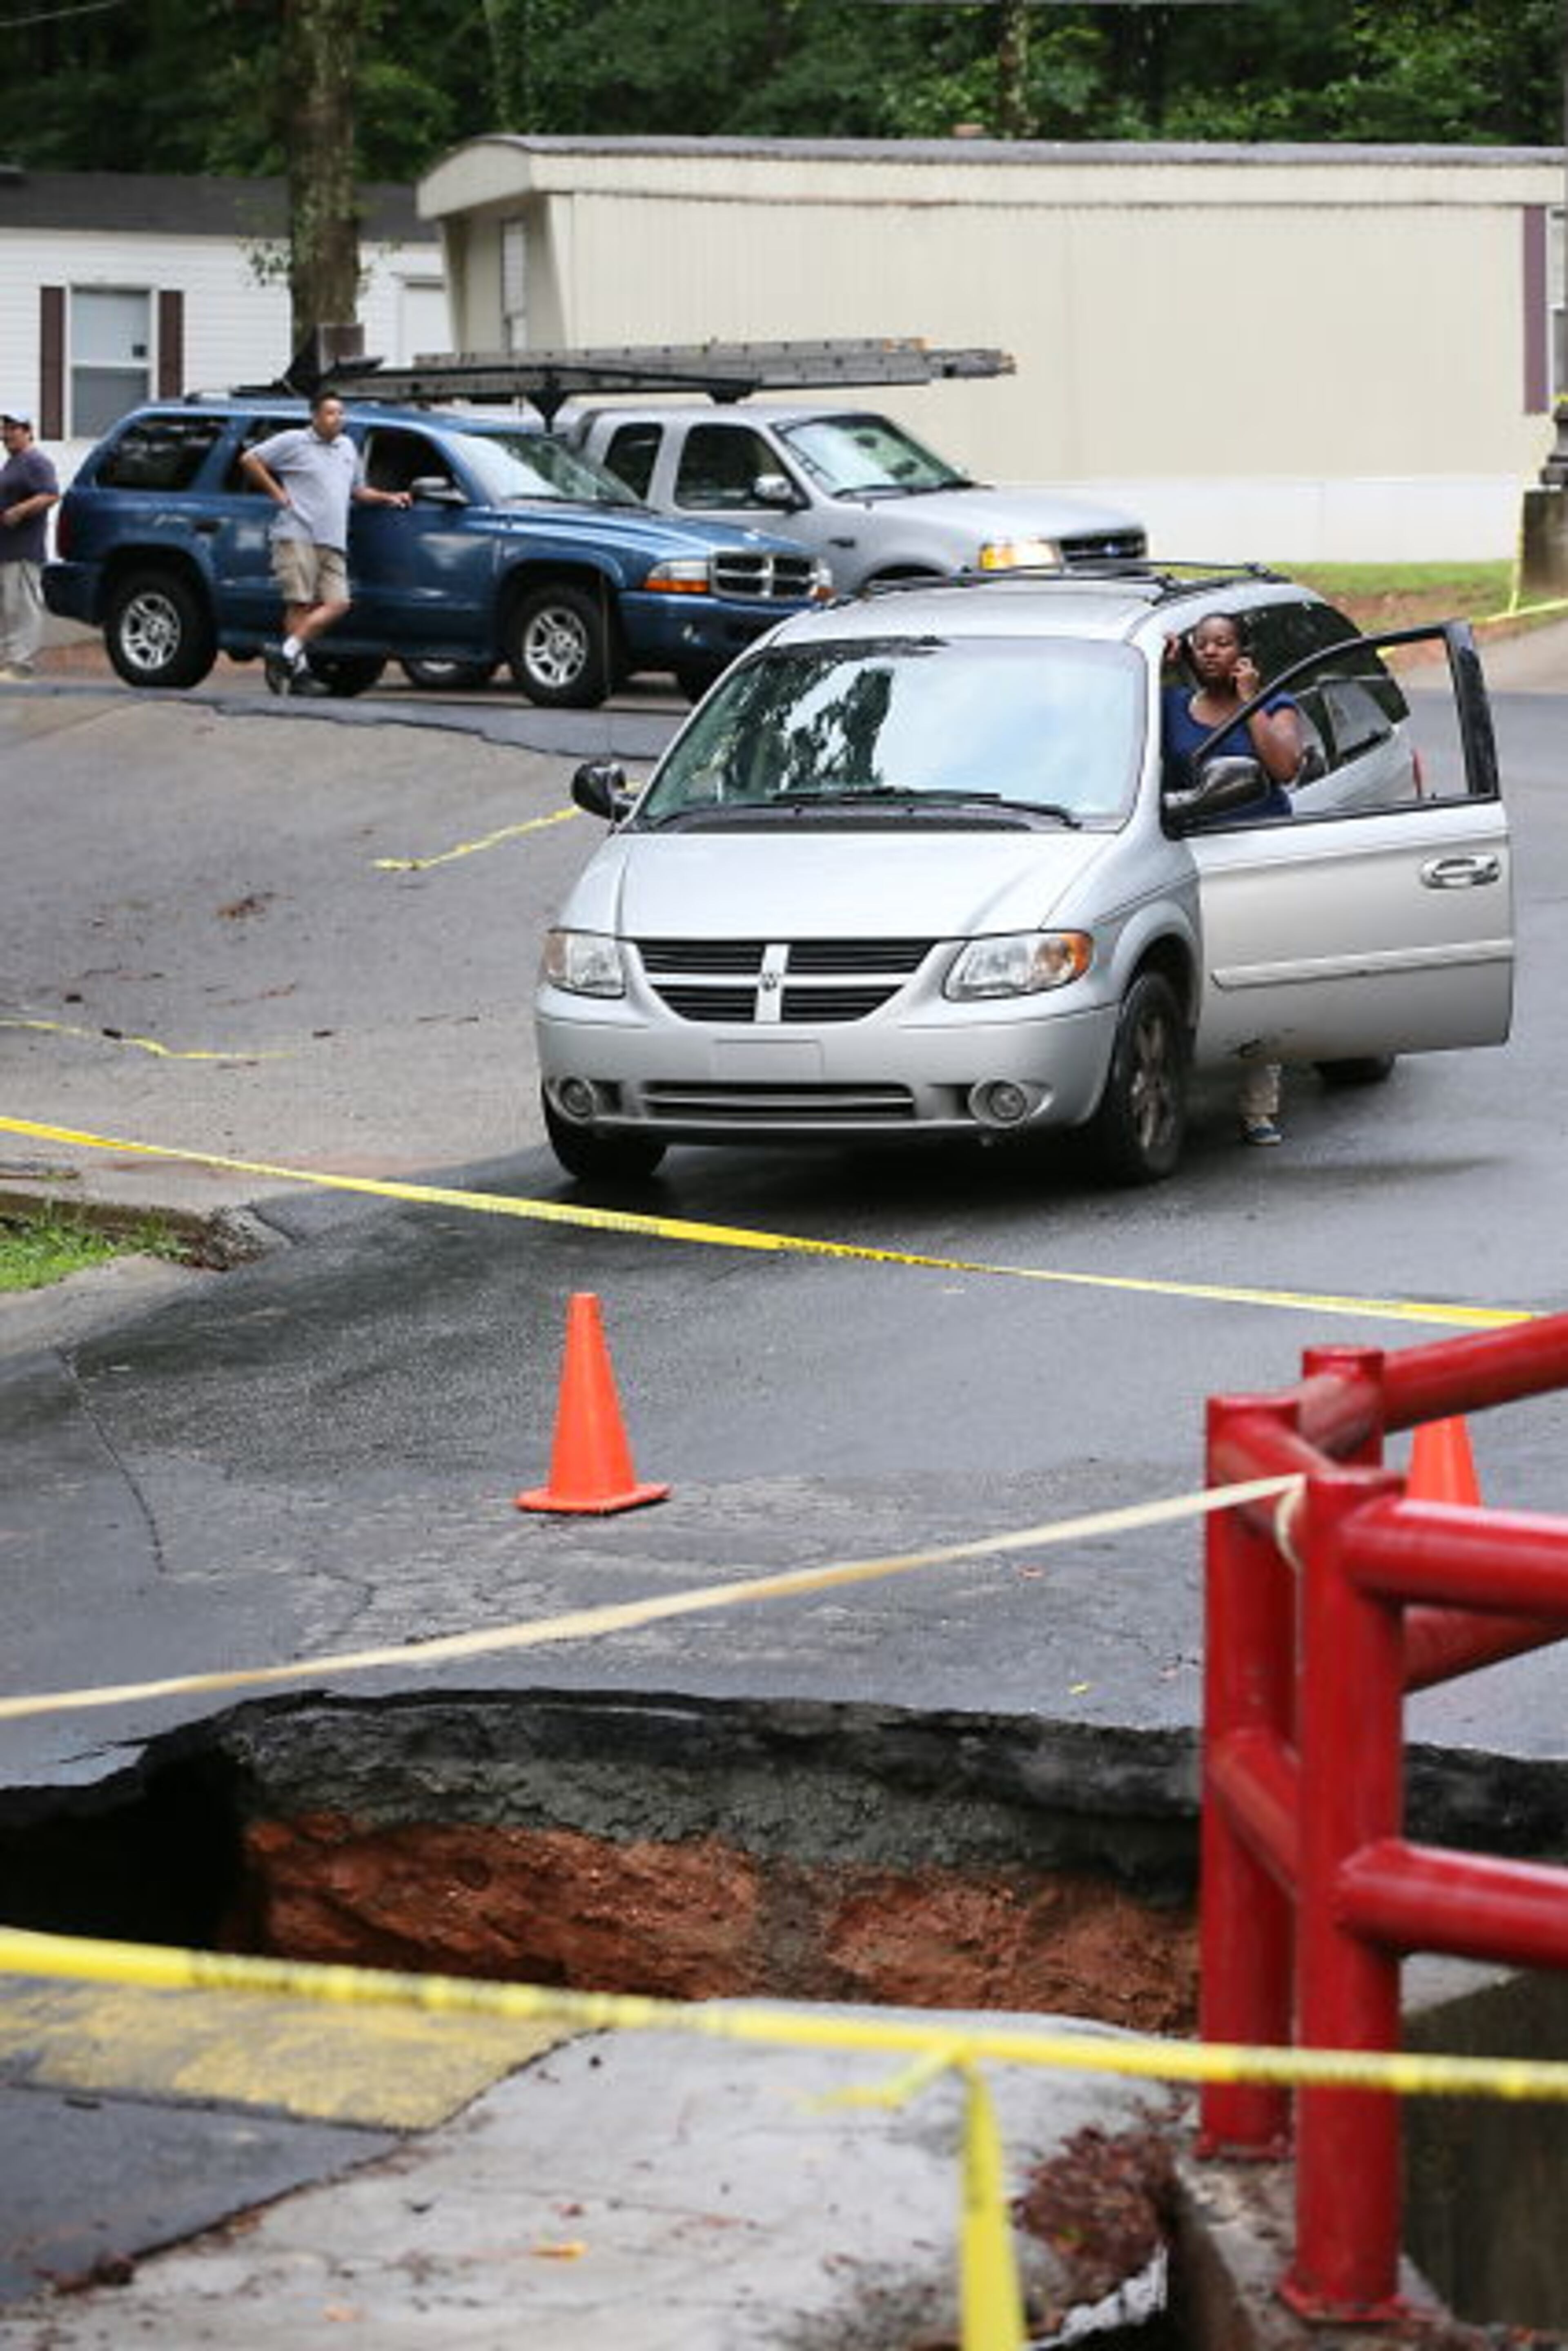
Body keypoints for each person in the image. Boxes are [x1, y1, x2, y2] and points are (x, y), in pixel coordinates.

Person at [1162, 612, 1303, 1149]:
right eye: (1202, 645)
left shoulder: (1274, 705)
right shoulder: (1172, 706)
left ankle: (1258, 1105)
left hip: (1260, 859)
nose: (1212, 652)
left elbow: (1286, 765)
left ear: (1243, 651)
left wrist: (1251, 704)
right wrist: (1159, 664)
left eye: (1223, 643)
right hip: (1192, 853)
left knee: (1259, 973)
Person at [239, 390, 410, 694]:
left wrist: (388, 497)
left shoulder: (347, 447)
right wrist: (277, 494)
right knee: (300, 604)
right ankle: (299, 675)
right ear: (315, 416)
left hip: (333, 540)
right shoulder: (294, 441)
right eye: (331, 413)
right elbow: (250, 459)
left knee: (339, 603)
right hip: (297, 535)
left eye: (341, 413)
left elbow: (358, 491)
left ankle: (287, 652)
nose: (338, 419)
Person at [0, 413, 60, 682]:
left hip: (24, 549)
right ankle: (11, 663)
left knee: (24, 607)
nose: (6, 435)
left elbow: (51, 494)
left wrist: (20, 511)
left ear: (28, 432)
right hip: (7, 550)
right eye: (4, 430)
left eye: (12, 429)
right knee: (10, 608)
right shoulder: (13, 463)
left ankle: (21, 666)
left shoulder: (36, 461)